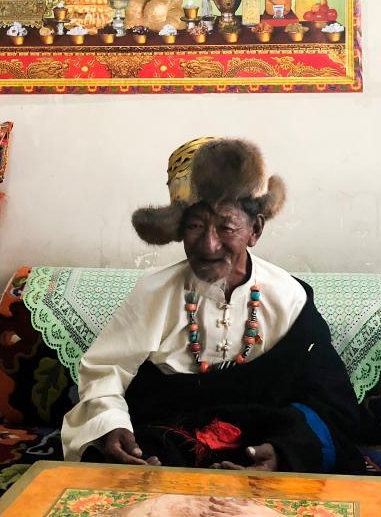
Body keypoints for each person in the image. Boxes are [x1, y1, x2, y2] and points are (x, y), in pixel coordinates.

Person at [61, 137, 362, 474]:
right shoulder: (153, 293)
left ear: (255, 230)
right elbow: (106, 371)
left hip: (262, 447)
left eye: (226, 226)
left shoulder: (290, 299)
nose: (208, 244)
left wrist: (284, 454)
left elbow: (330, 401)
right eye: (195, 225)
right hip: (166, 447)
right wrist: (112, 426)